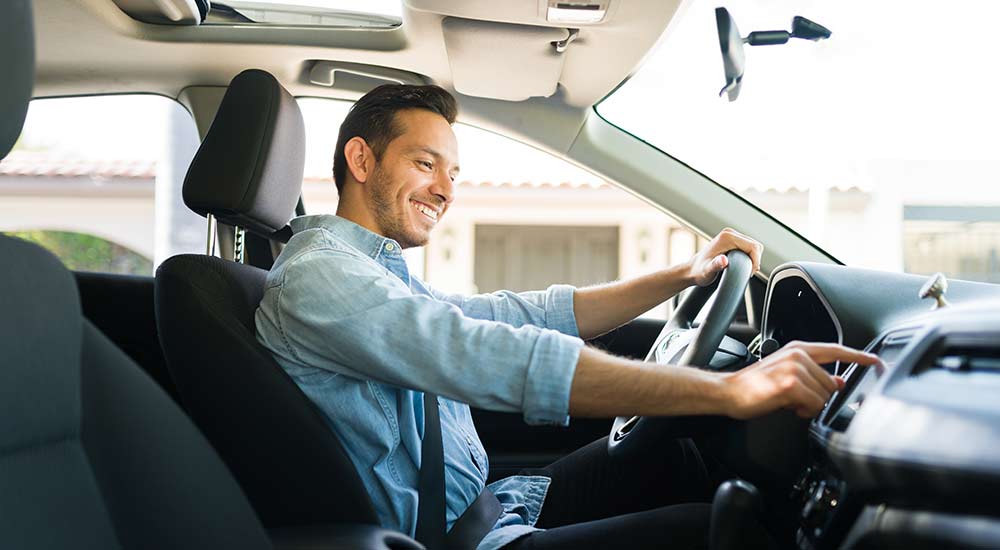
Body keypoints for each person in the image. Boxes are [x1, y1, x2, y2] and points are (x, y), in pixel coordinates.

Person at [254, 85, 880, 550]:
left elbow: (511, 315)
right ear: (361, 161)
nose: (446, 189)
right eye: (424, 164)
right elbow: (484, 354)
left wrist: (682, 275)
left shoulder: (373, 272)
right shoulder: (321, 278)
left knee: (676, 460)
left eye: (453, 172)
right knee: (714, 533)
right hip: (455, 541)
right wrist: (729, 387)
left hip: (490, 506)